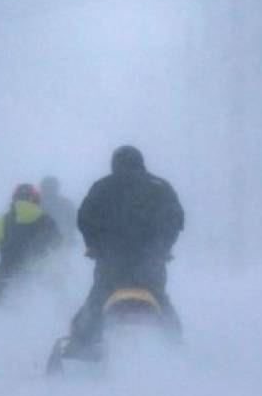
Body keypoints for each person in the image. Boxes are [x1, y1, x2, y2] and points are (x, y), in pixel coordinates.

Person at [66, 145, 185, 352]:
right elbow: (176, 220)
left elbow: (84, 219)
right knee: (158, 296)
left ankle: (80, 345)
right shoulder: (161, 186)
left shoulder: (103, 186)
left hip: (111, 260)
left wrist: (93, 244)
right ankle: (174, 343)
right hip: (151, 262)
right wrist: (164, 247)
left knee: (98, 298)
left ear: (114, 163)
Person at [0, 183, 62, 304]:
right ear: (36, 199)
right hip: (39, 277)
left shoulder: (2, 220)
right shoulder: (47, 220)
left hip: (7, 275)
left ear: (15, 198)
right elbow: (59, 244)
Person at [39, 175, 78, 248]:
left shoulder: (36, 203)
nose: (49, 190)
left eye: (51, 187)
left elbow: (74, 222)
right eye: (48, 187)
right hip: (58, 243)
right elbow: (74, 222)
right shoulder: (66, 203)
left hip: (59, 242)